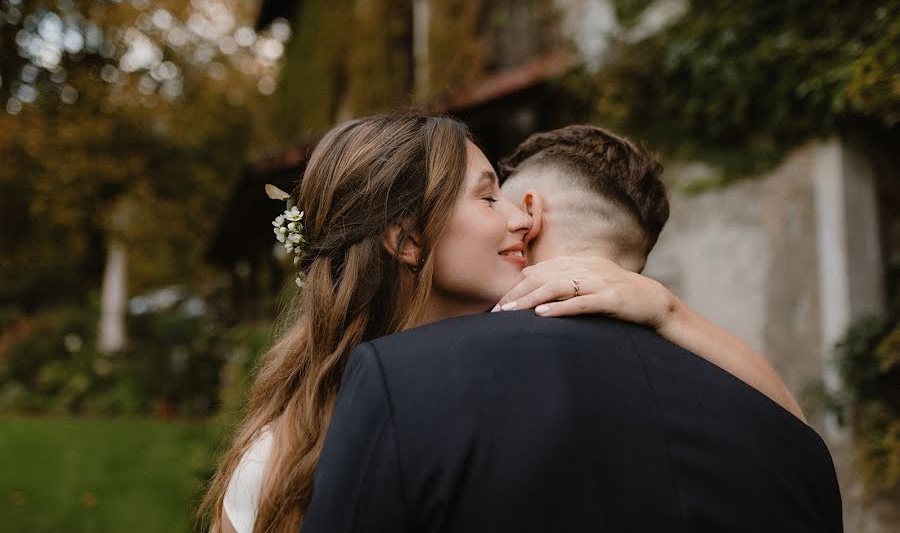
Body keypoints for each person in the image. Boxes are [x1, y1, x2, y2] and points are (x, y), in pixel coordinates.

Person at [200, 112, 807, 533]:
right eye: (489, 198)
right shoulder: (281, 455)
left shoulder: (526, 382)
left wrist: (667, 309)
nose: (520, 221)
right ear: (409, 239)